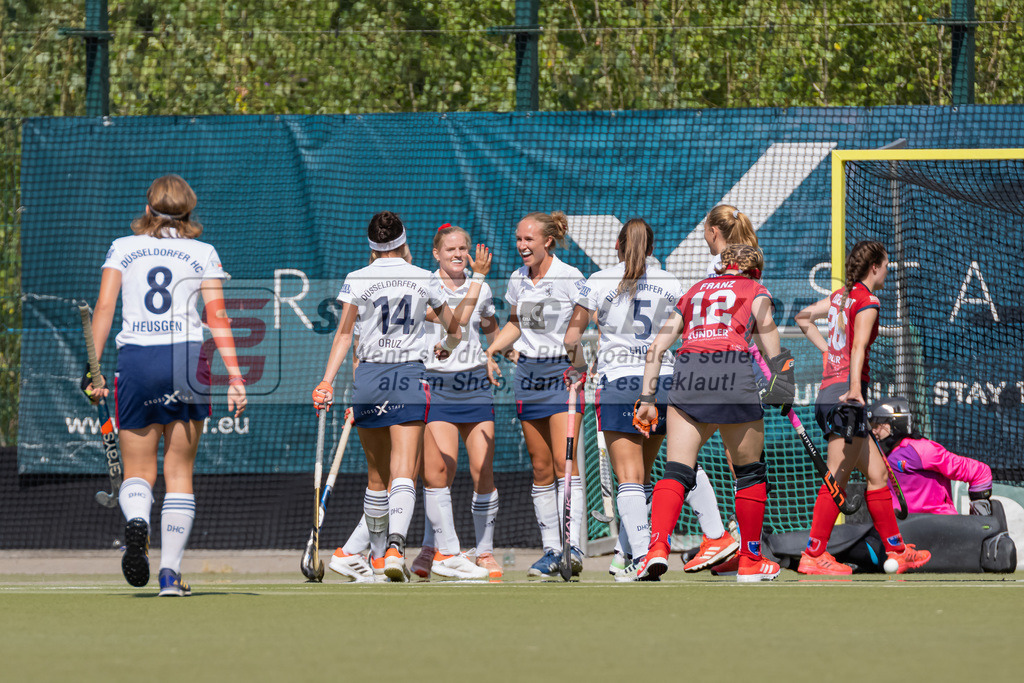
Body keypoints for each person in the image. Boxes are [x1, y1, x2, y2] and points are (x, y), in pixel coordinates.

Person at [82, 174, 246, 597]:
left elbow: (104, 307)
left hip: (138, 359)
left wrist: (92, 370)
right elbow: (217, 317)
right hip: (186, 360)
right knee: (179, 472)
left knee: (139, 472)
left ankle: (137, 521)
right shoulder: (203, 252)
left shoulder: (123, 247)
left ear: (148, 208)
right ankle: (170, 575)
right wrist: (235, 376)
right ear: (189, 212)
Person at [564, 218, 738, 580]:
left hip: (619, 383)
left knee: (631, 477)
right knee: (677, 465)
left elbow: (570, 339)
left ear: (617, 245)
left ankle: (645, 554)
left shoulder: (598, 281)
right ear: (652, 248)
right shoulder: (671, 283)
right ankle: (708, 537)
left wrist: (579, 369)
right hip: (664, 381)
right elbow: (690, 333)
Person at [312, 211, 462, 583]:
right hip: (407, 375)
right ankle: (394, 548)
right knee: (404, 470)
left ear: (372, 244)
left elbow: (345, 335)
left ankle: (374, 558)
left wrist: (326, 382)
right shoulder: (424, 277)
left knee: (377, 479)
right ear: (403, 240)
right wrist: (446, 345)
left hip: (368, 378)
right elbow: (454, 328)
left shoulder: (357, 278)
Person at [635, 244, 789, 582]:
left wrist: (647, 398)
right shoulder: (755, 288)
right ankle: (750, 560)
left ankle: (656, 548)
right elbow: (768, 333)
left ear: (722, 266)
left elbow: (657, 347)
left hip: (689, 370)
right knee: (750, 472)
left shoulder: (694, 291)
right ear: (754, 270)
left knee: (676, 470)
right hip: (732, 369)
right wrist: (782, 381)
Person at [794, 240, 931, 575]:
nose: (887, 272)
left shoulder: (839, 298)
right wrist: (855, 388)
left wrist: (827, 352)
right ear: (874, 267)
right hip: (846, 396)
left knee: (877, 474)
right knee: (837, 477)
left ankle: (897, 551)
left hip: (831, 394)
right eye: (885, 266)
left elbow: (802, 317)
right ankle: (813, 555)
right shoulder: (867, 301)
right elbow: (857, 347)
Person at [485, 211, 586, 579]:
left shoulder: (570, 277)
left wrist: (579, 367)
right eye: (518, 239)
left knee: (564, 464)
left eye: (528, 239)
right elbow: (515, 323)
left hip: (563, 374)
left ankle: (573, 548)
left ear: (548, 241)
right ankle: (552, 550)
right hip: (528, 375)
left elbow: (581, 323)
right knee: (541, 467)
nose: (522, 246)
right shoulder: (518, 279)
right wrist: (492, 350)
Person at [409, 224, 497, 580]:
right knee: (440, 473)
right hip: (436, 385)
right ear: (436, 254)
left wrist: (495, 352)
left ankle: (485, 552)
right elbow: (456, 322)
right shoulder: (424, 287)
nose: (458, 254)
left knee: (482, 470)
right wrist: (478, 279)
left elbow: (488, 326)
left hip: (475, 384)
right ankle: (435, 548)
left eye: (463, 248)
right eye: (450, 250)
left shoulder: (482, 287)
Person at [868, 397, 994, 515]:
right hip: (901, 526)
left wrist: (980, 518)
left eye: (877, 426)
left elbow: (980, 472)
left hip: (938, 523)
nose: (873, 431)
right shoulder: (877, 454)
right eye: (871, 427)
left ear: (895, 423)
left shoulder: (921, 450)